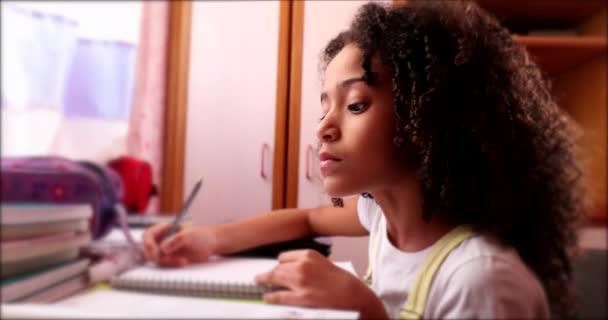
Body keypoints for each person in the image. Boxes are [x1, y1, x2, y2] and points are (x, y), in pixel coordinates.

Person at [143, 1, 585, 318]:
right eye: (324, 107)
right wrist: (209, 239)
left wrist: (364, 309)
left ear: (427, 119)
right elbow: (310, 220)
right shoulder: (383, 219)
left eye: (355, 105)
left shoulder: (481, 281)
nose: (322, 128)